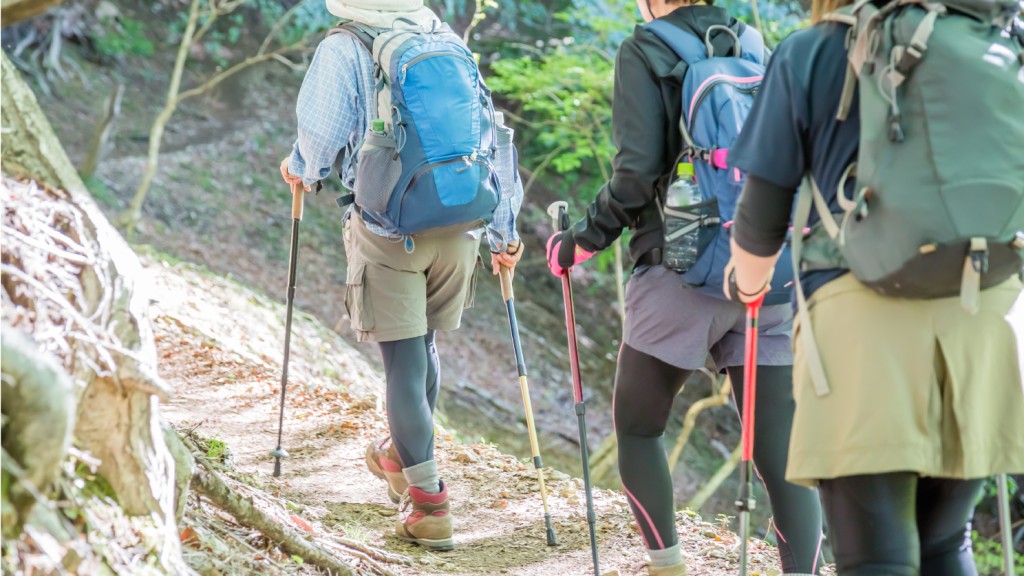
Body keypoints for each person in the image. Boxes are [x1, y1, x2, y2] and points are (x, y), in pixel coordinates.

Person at [723, 0, 1024, 572]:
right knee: (944, 540)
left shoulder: (813, 50)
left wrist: (747, 282)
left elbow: (761, 217)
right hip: (990, 313)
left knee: (877, 555)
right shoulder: (1000, 40)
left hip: (863, 320)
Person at [544, 0, 824, 573]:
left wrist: (578, 241)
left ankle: (667, 566)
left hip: (680, 271)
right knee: (783, 455)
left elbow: (635, 175)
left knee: (639, 429)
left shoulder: (646, 48)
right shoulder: (753, 43)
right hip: (766, 268)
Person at [279, 0, 524, 551]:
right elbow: (493, 135)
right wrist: (504, 230)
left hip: (388, 226)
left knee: (404, 364)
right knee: (424, 349)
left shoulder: (345, 46)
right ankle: (398, 455)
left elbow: (319, 135)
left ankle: (430, 504)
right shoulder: (444, 36)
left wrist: (302, 168)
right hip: (461, 221)